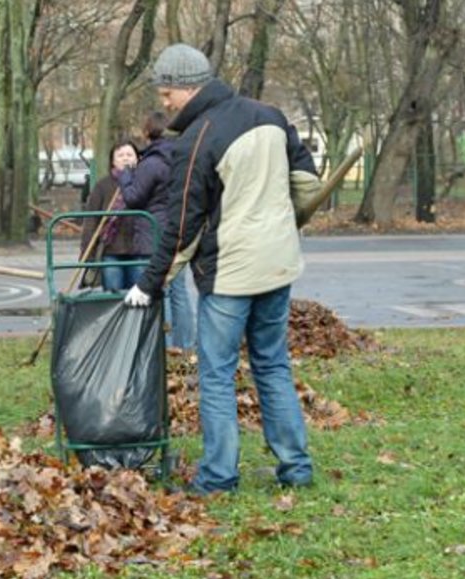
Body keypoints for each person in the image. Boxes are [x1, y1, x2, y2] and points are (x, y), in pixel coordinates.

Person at [123, 44, 318, 494]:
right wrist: (284, 225)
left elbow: (181, 224)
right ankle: (296, 468)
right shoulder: (270, 115)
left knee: (216, 374)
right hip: (277, 266)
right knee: (272, 366)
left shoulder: (197, 139)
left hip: (230, 274)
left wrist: (148, 284)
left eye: (167, 91)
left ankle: (217, 478)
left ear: (188, 87)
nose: (165, 102)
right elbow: (307, 185)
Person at [116, 112, 197, 351]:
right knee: (179, 290)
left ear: (147, 133)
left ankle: (167, 346)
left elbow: (133, 198)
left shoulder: (151, 163)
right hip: (179, 228)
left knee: (163, 290)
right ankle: (185, 344)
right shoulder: (183, 157)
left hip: (155, 233)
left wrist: (126, 175)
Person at [79, 139, 144, 291]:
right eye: (120, 155)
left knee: (138, 296)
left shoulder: (144, 182)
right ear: (113, 161)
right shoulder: (103, 186)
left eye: (129, 154)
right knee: (113, 295)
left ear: (137, 158)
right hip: (111, 251)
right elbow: (91, 220)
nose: (126, 158)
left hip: (138, 250)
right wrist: (88, 251)